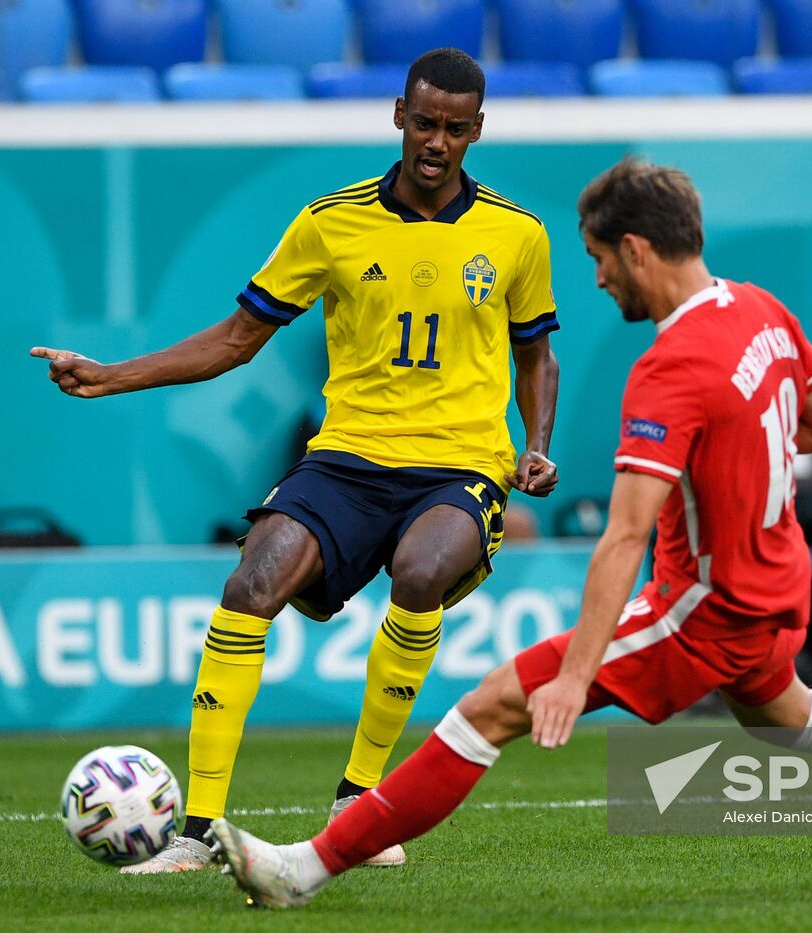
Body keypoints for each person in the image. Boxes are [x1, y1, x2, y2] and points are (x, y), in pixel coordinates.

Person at [202, 158, 812, 908]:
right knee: (792, 716)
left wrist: (575, 674)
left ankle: (302, 869)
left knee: (491, 708)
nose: (595, 280)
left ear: (634, 248)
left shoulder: (671, 368)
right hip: (778, 583)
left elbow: (624, 537)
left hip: (706, 603)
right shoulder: (759, 312)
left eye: (597, 259)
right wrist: (740, 449)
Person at [29, 48, 561, 872]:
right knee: (250, 583)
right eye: (425, 122)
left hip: (461, 464)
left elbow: (537, 355)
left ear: (477, 131)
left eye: (456, 129)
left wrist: (536, 446)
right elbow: (238, 339)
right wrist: (111, 375)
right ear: (399, 115)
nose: (437, 142)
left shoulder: (518, 235)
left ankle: (359, 799)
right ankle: (198, 829)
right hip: (346, 458)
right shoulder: (330, 222)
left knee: (421, 572)